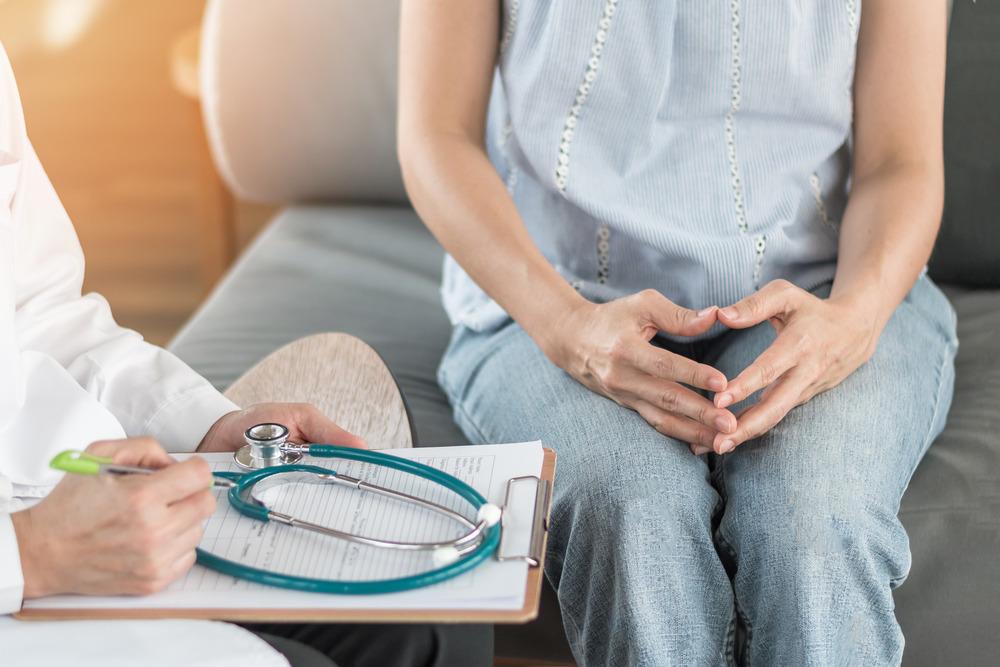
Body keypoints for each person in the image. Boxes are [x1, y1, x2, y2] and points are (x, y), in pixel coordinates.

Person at [398, 1, 955, 664]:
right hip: (550, 292)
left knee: (813, 522)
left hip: (827, 288)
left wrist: (853, 320)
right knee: (632, 512)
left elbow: (900, 160)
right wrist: (567, 325)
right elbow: (436, 135)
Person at [0, 43, 490, 667]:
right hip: (27, 565)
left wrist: (207, 429)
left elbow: (38, 311)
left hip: (70, 502)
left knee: (436, 624)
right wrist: (30, 553)